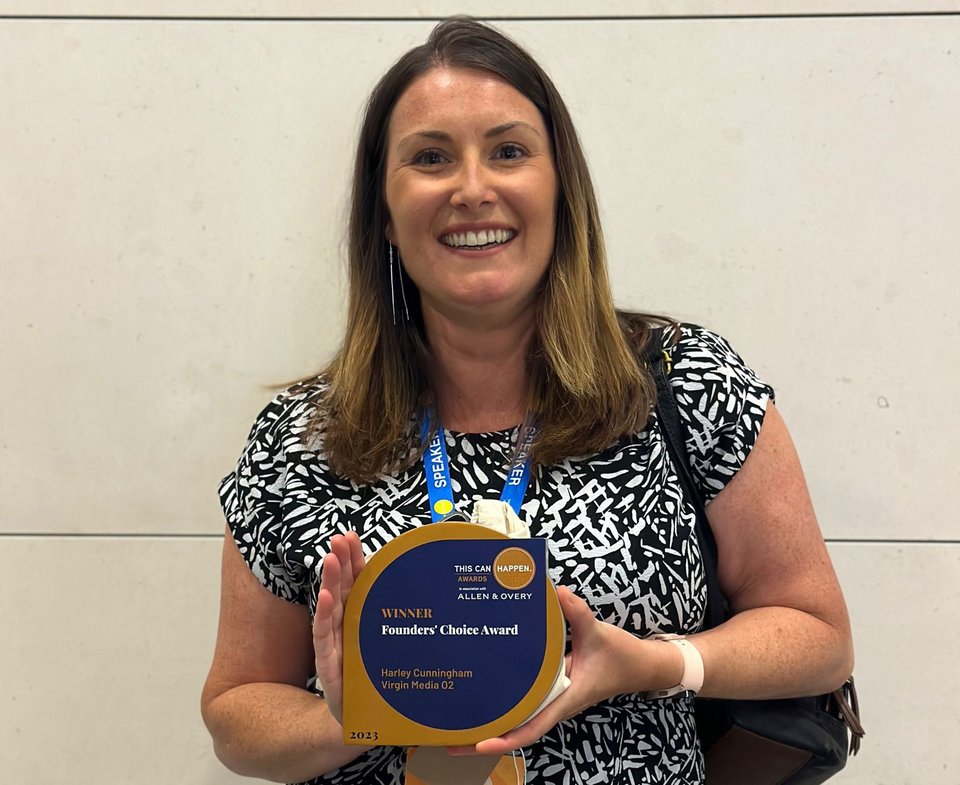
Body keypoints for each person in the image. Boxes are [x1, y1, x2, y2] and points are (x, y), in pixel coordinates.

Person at [201, 17, 854, 785]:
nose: (473, 189)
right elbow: (235, 712)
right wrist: (347, 715)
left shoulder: (681, 379)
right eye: (430, 158)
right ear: (383, 208)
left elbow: (819, 634)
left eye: (508, 151)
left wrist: (651, 662)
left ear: (558, 185)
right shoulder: (303, 435)